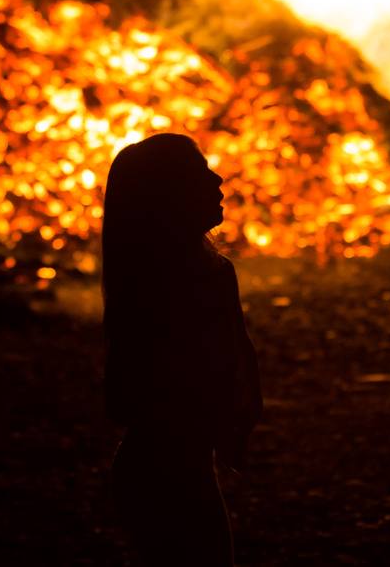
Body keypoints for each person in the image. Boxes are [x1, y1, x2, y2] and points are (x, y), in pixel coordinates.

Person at [103, 133, 263, 566]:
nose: (217, 180)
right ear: (168, 194)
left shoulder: (214, 271)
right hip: (161, 471)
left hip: (186, 463)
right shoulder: (155, 287)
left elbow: (237, 354)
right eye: (199, 172)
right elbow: (124, 394)